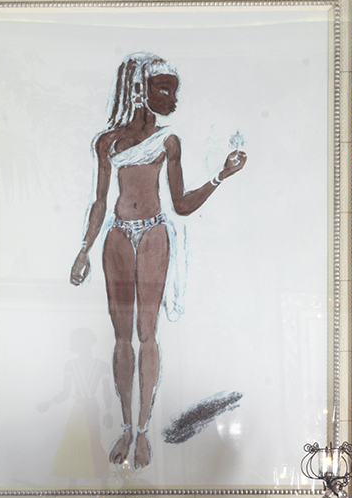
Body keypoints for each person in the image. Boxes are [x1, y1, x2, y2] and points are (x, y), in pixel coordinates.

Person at [69, 54, 245, 471]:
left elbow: (181, 205)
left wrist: (221, 175)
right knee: (120, 337)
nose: (173, 99)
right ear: (139, 91)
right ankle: (127, 427)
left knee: (147, 335)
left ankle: (144, 432)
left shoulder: (168, 141)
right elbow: (98, 201)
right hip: (116, 235)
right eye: (164, 89)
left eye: (174, 90)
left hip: (153, 235)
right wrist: (83, 249)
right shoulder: (107, 142)